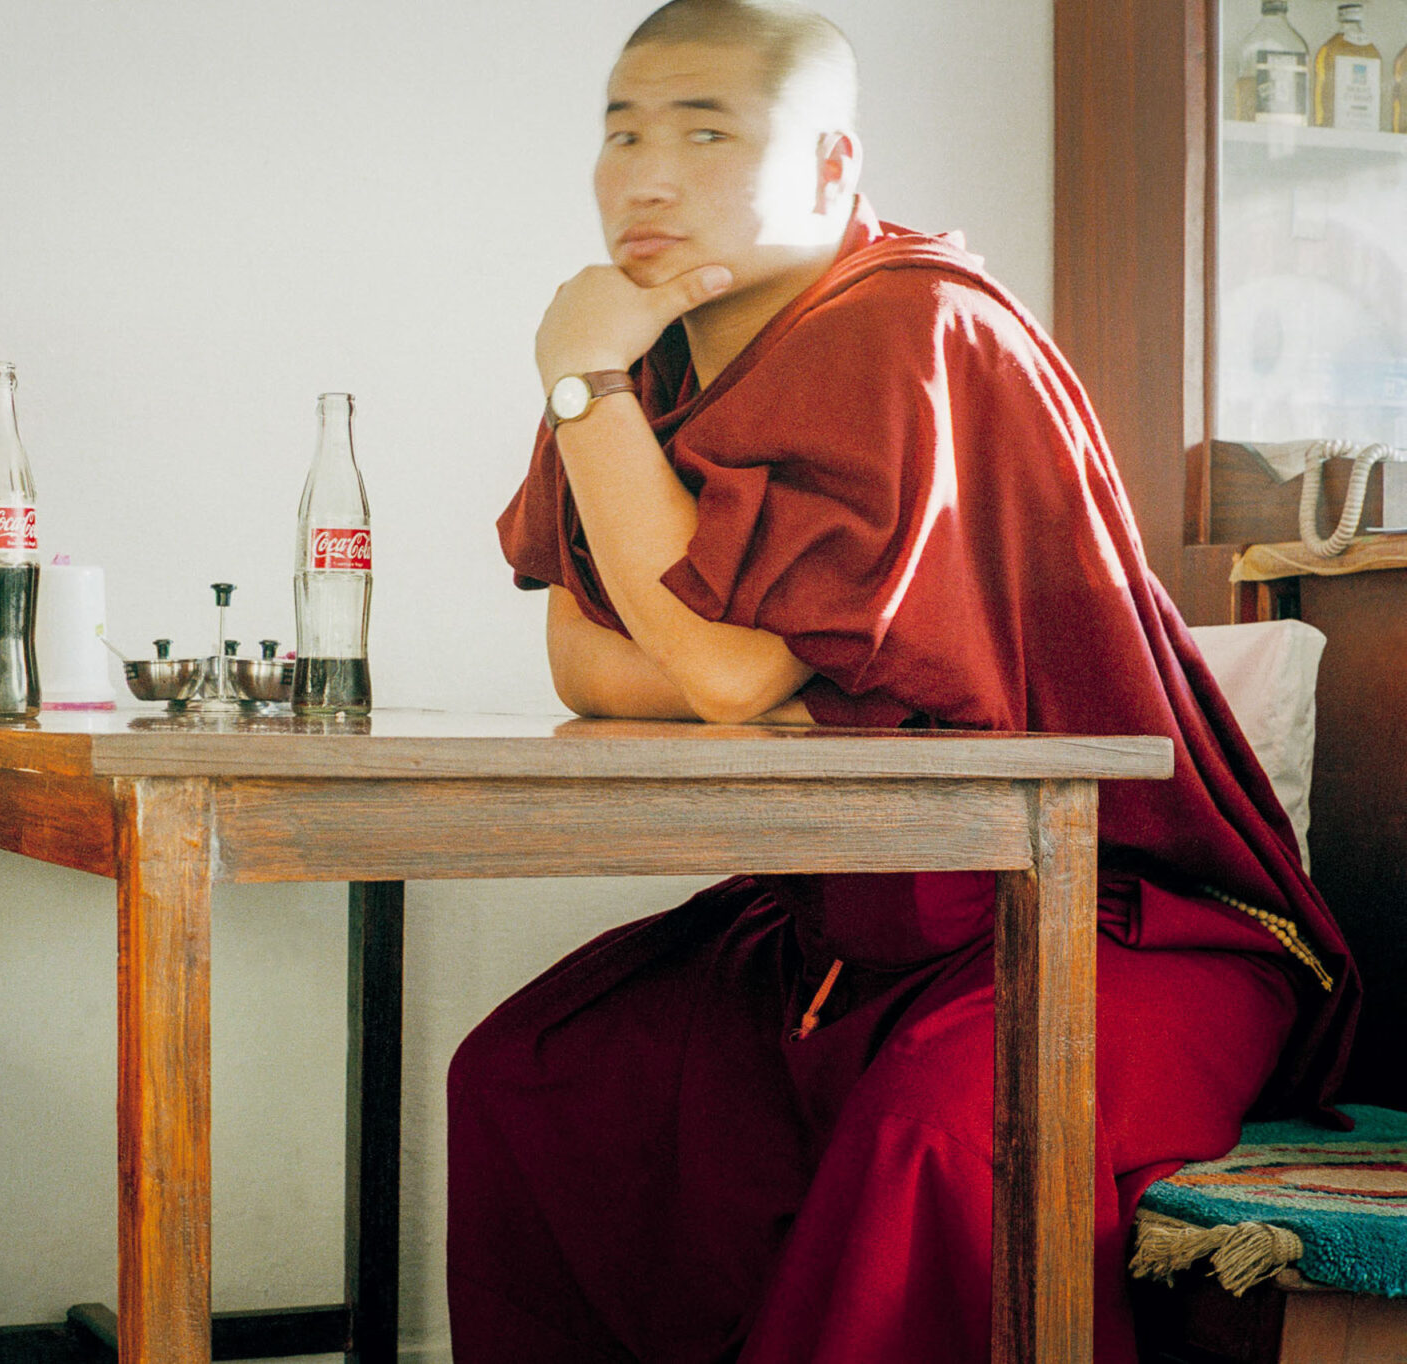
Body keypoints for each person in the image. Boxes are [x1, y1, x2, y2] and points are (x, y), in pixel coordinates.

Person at [450, 2, 1359, 1360]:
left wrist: (585, 396)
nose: (644, 174)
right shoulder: (637, 347)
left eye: (707, 130)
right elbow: (582, 648)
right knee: (538, 1073)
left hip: (1108, 923)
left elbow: (719, 664)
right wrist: (736, 673)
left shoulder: (911, 328)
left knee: (942, 1139)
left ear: (832, 165)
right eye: (622, 128)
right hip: (847, 931)